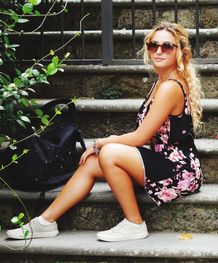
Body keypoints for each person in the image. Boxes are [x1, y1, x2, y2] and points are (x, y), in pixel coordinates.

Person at [6, 21, 204, 242]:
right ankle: (45, 222)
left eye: (167, 46)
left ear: (180, 52)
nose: (158, 50)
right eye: (153, 44)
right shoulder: (161, 81)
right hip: (162, 161)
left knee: (109, 152)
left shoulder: (170, 87)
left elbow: (140, 137)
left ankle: (135, 223)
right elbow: (145, 136)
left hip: (179, 172)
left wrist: (101, 142)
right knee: (91, 163)